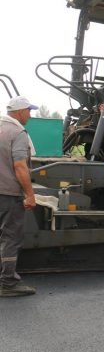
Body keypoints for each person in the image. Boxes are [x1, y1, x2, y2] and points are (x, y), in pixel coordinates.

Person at [0, 96, 38, 297]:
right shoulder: (17, 132)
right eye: (29, 111)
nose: (30, 115)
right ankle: (7, 283)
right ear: (20, 111)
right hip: (7, 193)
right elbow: (20, 166)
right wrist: (30, 195)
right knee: (10, 237)